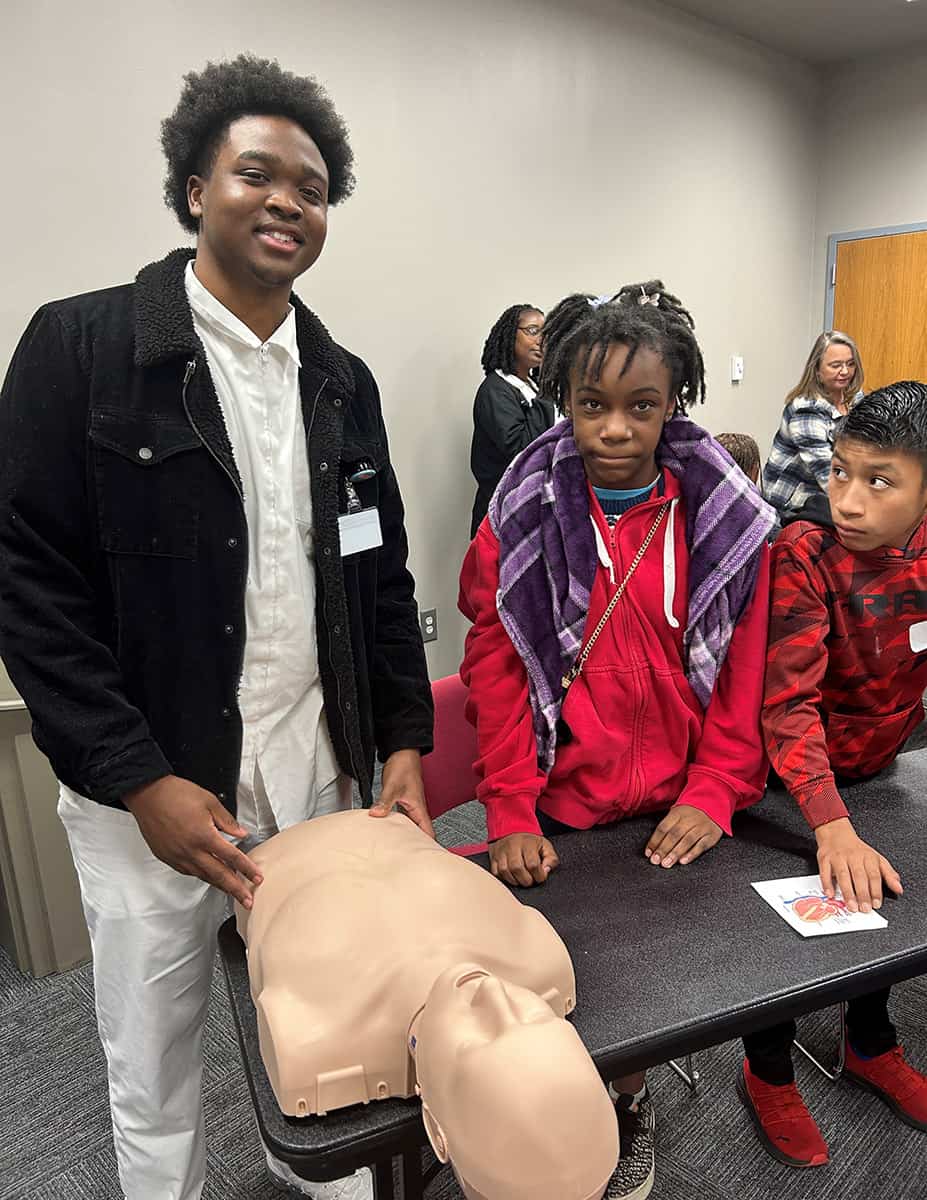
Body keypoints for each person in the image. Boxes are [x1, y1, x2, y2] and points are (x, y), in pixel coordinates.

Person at [0, 55, 433, 1200]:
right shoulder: (79, 351)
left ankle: (337, 1185)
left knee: (340, 1016)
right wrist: (140, 780)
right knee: (156, 1056)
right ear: (195, 189)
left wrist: (399, 741)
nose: (289, 199)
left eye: (313, 184)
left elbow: (379, 575)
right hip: (150, 789)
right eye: (257, 172)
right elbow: (29, 588)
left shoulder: (342, 382)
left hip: (320, 768)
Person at [458, 281, 776, 1200]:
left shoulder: (719, 519)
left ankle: (626, 1100)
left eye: (642, 406)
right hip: (564, 804)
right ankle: (595, 1103)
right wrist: (509, 804)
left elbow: (742, 670)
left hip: (680, 804)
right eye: (591, 405)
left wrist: (714, 789)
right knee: (573, 986)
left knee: (654, 988)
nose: (614, 428)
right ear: (561, 397)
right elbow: (498, 666)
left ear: (674, 401)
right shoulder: (520, 517)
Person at [236, 809, 619, 1200]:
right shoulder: (538, 960)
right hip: (387, 823)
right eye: (535, 1017)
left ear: (437, 1134)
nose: (493, 994)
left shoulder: (309, 1034)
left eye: (478, 1040)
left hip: (271, 864)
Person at [740, 381, 927, 1168]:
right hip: (789, 780)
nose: (846, 499)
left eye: (876, 479)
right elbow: (787, 706)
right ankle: (767, 1068)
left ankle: (869, 1044)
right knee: (783, 932)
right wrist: (828, 824)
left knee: (880, 904)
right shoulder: (804, 553)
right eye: (839, 472)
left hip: (879, 770)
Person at [469, 304, 555, 536]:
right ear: (509, 336)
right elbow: (521, 448)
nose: (541, 341)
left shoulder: (531, 386)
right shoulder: (496, 389)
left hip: (535, 507)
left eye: (545, 334)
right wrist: (547, 392)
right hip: (504, 514)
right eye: (532, 331)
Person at [762, 330, 864, 522]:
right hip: (794, 503)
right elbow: (826, 470)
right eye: (835, 365)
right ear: (817, 370)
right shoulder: (806, 409)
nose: (845, 372)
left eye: (850, 364)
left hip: (832, 490)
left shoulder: (855, 398)